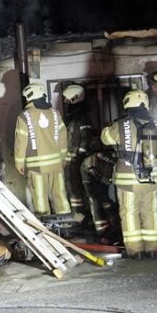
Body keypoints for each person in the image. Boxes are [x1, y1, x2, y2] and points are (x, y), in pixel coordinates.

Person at [100, 89, 157, 258]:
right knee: (150, 211)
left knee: (129, 212)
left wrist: (109, 126)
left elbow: (106, 139)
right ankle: (151, 248)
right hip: (152, 178)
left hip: (129, 180)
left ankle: (135, 251)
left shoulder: (122, 124)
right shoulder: (156, 124)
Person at [13, 82, 72, 218]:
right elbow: (63, 137)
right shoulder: (55, 114)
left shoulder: (25, 116)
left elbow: (21, 141)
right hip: (56, 164)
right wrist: (63, 158)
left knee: (40, 197)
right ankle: (66, 224)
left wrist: (19, 163)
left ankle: (46, 229)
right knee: (60, 195)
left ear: (28, 97)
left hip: (37, 167)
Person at [61, 83, 97, 221]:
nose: (65, 102)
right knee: (72, 190)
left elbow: (85, 140)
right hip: (72, 161)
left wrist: (78, 158)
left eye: (67, 99)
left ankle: (80, 218)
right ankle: (77, 217)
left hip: (77, 161)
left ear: (75, 98)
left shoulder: (82, 118)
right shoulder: (75, 117)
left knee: (76, 191)